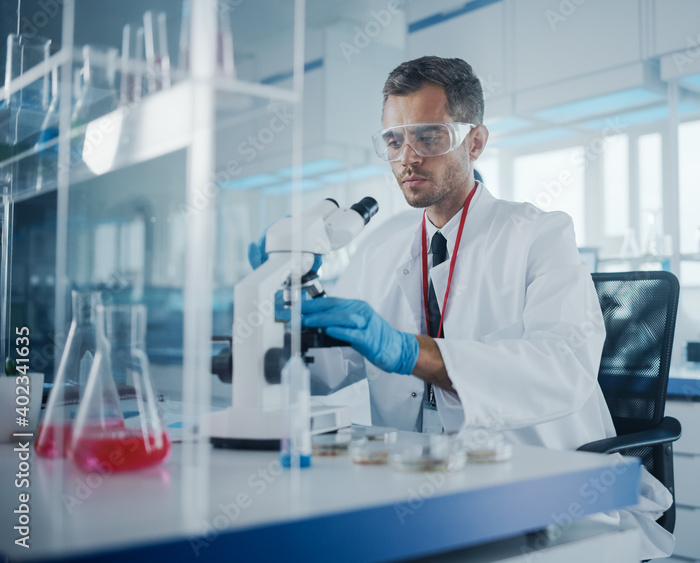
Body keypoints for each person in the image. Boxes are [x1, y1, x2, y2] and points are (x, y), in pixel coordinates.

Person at [250, 56, 674, 557]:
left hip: (544, 493)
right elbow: (329, 369)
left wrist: (413, 353)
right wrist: (277, 313)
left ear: (475, 141)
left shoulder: (539, 232)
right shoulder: (380, 248)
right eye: (393, 140)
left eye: (429, 136)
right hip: (418, 489)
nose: (407, 157)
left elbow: (563, 366)